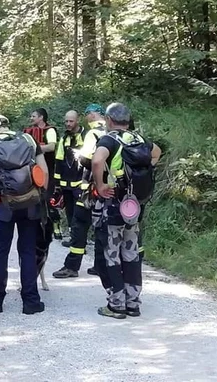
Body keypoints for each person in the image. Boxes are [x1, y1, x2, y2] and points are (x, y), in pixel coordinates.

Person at [92, 102, 161, 319]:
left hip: (114, 205)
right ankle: (133, 302)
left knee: (112, 254)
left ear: (110, 120)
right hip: (134, 206)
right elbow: (157, 153)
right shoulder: (138, 139)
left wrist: (101, 186)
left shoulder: (110, 139)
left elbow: (97, 160)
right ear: (128, 121)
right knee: (131, 253)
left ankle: (116, 304)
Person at [0, 115, 49, 315]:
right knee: (27, 252)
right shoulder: (29, 140)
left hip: (3, 207)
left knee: (1, 252)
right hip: (30, 206)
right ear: (9, 126)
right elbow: (44, 173)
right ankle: (31, 302)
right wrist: (41, 200)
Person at [53, 103, 106, 278]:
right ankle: (100, 265)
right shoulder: (115, 132)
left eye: (88, 114)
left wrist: (80, 156)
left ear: (93, 114)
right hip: (108, 189)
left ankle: (72, 266)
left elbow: (87, 159)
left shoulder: (91, 133)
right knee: (101, 226)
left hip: (88, 189)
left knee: (79, 226)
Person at [23, 108, 59, 237]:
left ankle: (55, 227)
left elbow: (51, 147)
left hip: (47, 169)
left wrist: (34, 148)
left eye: (33, 116)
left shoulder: (50, 131)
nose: (31, 118)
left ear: (41, 117)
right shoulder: (28, 131)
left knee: (48, 198)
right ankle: (36, 224)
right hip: (32, 170)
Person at [54, 110, 86, 247]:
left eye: (71, 121)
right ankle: (74, 239)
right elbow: (59, 160)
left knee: (80, 214)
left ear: (78, 120)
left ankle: (80, 241)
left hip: (80, 183)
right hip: (66, 183)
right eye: (66, 121)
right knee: (70, 211)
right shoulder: (64, 138)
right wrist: (57, 183)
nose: (68, 124)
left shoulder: (86, 136)